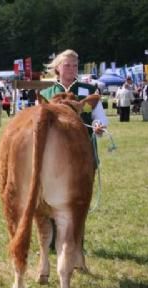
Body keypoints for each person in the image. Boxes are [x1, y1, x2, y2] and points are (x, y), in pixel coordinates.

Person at [40, 49, 109, 251]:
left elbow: (100, 117)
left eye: (75, 66)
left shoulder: (89, 90)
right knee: (52, 196)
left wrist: (99, 127)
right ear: (58, 68)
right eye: (67, 65)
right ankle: (53, 241)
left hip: (84, 154)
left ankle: (77, 241)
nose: (71, 69)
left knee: (80, 198)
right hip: (54, 156)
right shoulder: (46, 94)